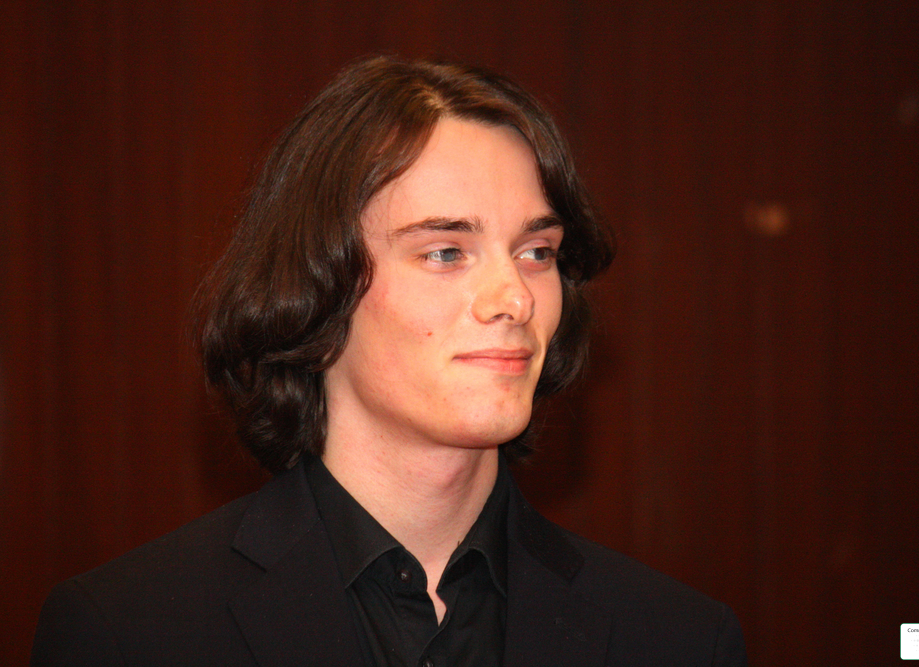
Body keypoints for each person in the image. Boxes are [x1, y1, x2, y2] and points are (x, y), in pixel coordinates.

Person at [32, 55, 748, 667]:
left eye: (537, 252)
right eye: (445, 252)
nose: (515, 298)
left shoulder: (677, 640)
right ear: (317, 289)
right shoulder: (131, 631)